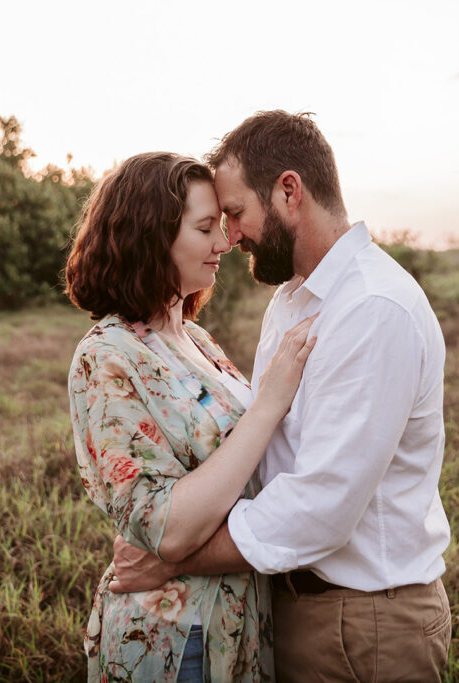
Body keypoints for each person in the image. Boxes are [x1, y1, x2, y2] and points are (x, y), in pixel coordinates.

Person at [110, 112, 452, 682]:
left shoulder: (370, 308)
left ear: (289, 191)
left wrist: (172, 557)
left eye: (238, 213)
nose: (231, 235)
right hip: (293, 610)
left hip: (363, 627)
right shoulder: (294, 300)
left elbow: (320, 508)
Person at [64, 151, 316, 682]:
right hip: (179, 638)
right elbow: (167, 531)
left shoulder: (196, 339)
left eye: (222, 227)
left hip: (243, 622)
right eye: (205, 229)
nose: (225, 243)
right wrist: (269, 403)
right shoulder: (106, 356)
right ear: (151, 237)